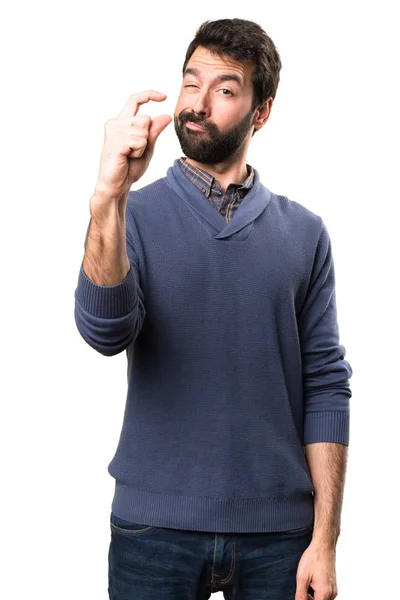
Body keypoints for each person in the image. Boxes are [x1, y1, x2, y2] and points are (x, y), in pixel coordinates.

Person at [74, 17, 352, 600]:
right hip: (154, 529)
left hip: (280, 534)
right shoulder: (132, 215)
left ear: (261, 111)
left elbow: (325, 384)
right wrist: (108, 197)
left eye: (224, 90)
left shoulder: (304, 233)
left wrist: (324, 540)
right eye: (190, 83)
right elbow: (104, 332)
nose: (197, 105)